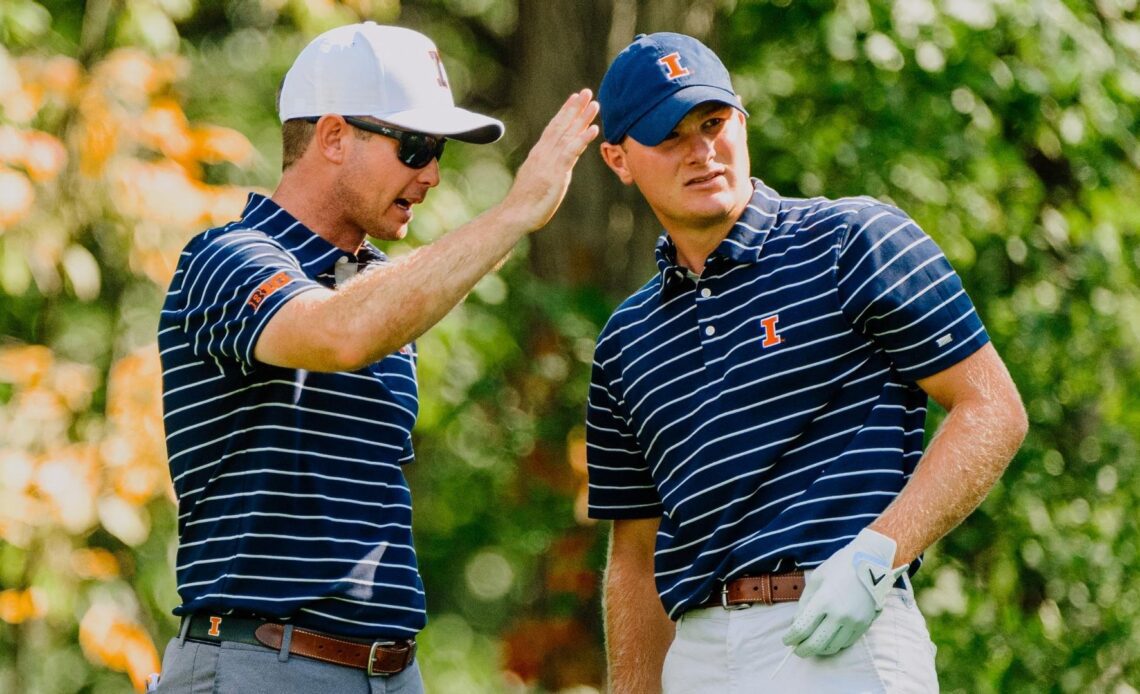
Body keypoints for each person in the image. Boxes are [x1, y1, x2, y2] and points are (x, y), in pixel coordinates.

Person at [153, 21, 598, 693]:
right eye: (415, 146)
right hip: (259, 664)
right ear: (334, 136)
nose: (433, 174)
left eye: (438, 150)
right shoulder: (227, 258)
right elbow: (335, 333)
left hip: (389, 672)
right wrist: (514, 213)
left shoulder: (380, 287)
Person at [586, 32, 1027, 693]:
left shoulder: (853, 240)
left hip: (843, 634)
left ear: (741, 120)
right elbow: (636, 558)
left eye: (714, 123)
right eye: (669, 136)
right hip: (698, 657)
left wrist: (879, 556)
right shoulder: (627, 340)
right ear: (619, 159)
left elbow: (992, 408)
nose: (703, 152)